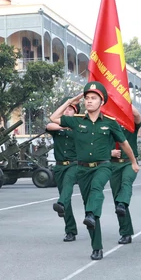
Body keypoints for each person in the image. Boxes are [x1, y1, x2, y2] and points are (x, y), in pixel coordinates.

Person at [49, 82, 139, 261]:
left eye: (93, 98)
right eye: (87, 98)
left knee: (97, 189)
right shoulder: (76, 121)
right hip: (82, 169)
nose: (89, 101)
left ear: (102, 101)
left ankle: (91, 214)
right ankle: (96, 246)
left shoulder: (110, 124)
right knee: (89, 211)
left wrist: (134, 161)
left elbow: (124, 144)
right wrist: (72, 101)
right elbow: (53, 118)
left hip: (103, 166)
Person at [45, 101, 80, 242]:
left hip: (74, 164)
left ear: (76, 112)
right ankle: (70, 230)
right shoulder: (57, 127)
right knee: (66, 198)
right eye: (65, 109)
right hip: (59, 166)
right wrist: (65, 125)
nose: (67, 111)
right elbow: (49, 125)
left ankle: (61, 204)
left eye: (70, 109)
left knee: (67, 186)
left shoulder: (80, 127)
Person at [108, 105, 141, 245]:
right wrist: (110, 152)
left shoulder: (130, 124)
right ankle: (126, 233)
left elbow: (137, 115)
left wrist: (122, 99)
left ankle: (123, 203)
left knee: (126, 182)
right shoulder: (107, 124)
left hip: (130, 162)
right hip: (113, 164)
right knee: (117, 198)